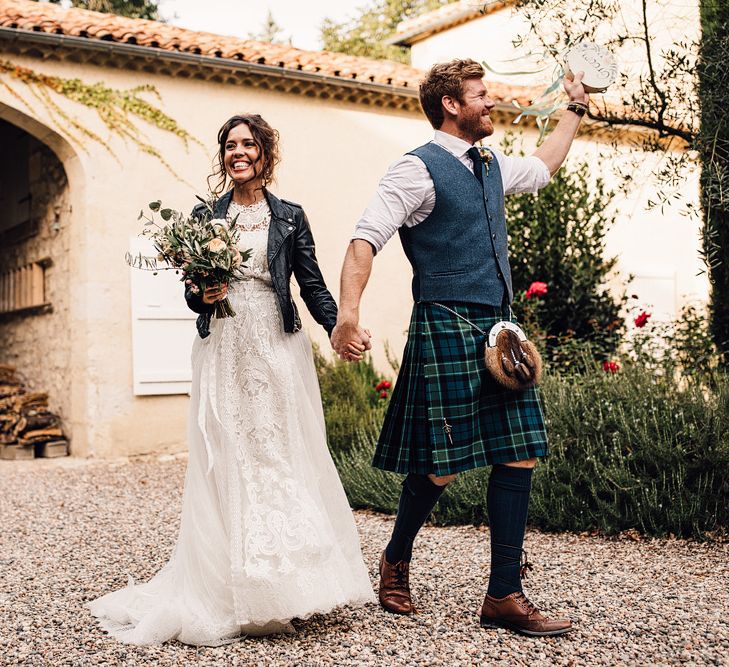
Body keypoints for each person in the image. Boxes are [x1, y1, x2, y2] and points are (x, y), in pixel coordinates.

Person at [88, 114, 375, 646]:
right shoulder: (204, 216)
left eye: (247, 144)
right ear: (223, 156)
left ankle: (290, 582)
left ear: (266, 154)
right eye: (229, 145)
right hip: (223, 346)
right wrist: (205, 295)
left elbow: (309, 284)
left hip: (277, 347)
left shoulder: (290, 217)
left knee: (280, 451)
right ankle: (236, 584)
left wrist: (339, 326)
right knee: (233, 453)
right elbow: (192, 292)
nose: (237, 152)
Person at [331, 59, 590, 637]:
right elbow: (363, 240)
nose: (490, 102)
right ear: (451, 105)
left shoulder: (492, 165)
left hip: (500, 329)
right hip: (445, 324)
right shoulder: (414, 170)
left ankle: (504, 595)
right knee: (441, 467)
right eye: (481, 95)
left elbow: (545, 166)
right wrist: (348, 316)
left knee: (519, 450)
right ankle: (396, 556)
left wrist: (575, 104)